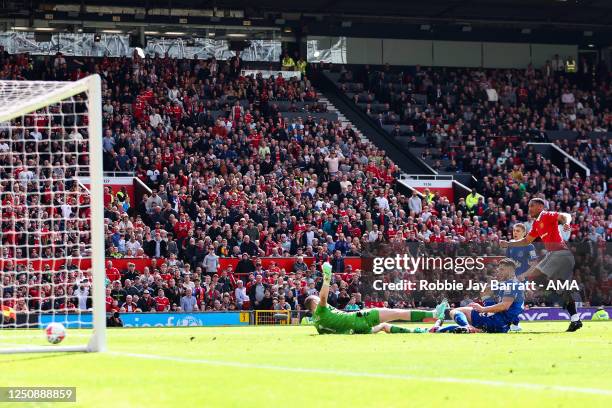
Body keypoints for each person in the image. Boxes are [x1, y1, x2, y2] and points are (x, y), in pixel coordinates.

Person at [500, 198, 581, 332]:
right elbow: (526, 241)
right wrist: (509, 244)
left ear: (539, 207)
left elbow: (565, 215)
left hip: (559, 254)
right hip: (558, 256)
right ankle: (575, 319)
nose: (529, 209)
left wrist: (566, 223)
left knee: (534, 276)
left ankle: (553, 294)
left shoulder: (547, 215)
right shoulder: (536, 224)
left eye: (532, 206)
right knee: (561, 289)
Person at [304, 262, 447, 334]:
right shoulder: (320, 309)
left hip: (358, 331)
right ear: (314, 304)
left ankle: (421, 332)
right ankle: (434, 314)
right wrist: (327, 277)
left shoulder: (317, 325)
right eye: (315, 299)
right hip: (359, 318)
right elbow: (323, 297)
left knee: (384, 326)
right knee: (397, 313)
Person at [431, 258, 524, 334]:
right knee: (462, 310)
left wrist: (482, 309)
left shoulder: (511, 285)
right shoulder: (511, 283)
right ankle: (474, 328)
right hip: (501, 323)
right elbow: (486, 292)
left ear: (511, 271)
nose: (498, 271)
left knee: (455, 311)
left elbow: (504, 306)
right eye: (499, 269)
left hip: (496, 321)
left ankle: (469, 328)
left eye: (502, 269)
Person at [498, 223, 536, 332]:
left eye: (518, 231)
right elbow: (507, 264)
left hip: (521, 279)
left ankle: (514, 324)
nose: (515, 233)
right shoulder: (510, 246)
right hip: (510, 279)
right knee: (507, 300)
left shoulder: (529, 246)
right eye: (514, 230)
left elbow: (534, 263)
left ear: (524, 233)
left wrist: (524, 275)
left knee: (518, 302)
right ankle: (511, 324)